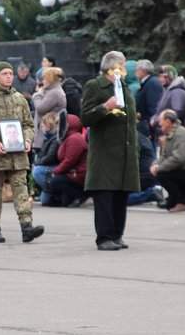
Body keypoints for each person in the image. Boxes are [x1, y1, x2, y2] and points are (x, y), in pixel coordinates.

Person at [0, 61, 44, 243]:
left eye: (10, 73)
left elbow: (28, 124)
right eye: (4, 73)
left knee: (21, 190)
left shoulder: (19, 98)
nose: (8, 77)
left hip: (18, 155)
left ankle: (26, 227)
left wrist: (28, 139)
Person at [81, 51, 139, 251]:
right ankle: (104, 237)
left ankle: (117, 234)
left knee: (121, 194)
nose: (125, 69)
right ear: (112, 66)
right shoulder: (95, 86)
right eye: (122, 65)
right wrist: (105, 107)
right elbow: (85, 118)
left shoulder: (122, 86)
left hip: (125, 151)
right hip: (105, 152)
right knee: (105, 194)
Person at [151, 109, 185, 212]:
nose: (159, 124)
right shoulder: (170, 135)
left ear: (168, 121)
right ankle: (181, 200)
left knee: (162, 175)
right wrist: (155, 165)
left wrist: (159, 168)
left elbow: (179, 158)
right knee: (169, 205)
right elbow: (164, 156)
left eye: (161, 121)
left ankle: (183, 203)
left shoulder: (181, 134)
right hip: (182, 170)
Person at [50, 114, 87, 207]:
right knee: (52, 200)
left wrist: (55, 171)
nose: (58, 126)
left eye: (59, 124)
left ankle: (81, 195)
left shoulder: (74, 139)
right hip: (72, 173)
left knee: (54, 181)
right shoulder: (69, 138)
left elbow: (69, 161)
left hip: (78, 174)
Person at [32, 67, 66, 153]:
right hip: (47, 133)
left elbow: (40, 108)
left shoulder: (54, 93)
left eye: (44, 79)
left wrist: (37, 95)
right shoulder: (53, 91)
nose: (42, 81)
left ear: (50, 79)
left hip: (47, 134)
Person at [127, 127, 163, 206]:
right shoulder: (143, 138)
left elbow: (131, 160)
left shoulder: (132, 138)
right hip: (151, 174)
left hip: (144, 175)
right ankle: (154, 190)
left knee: (120, 199)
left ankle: (151, 193)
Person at [32, 112, 61, 206]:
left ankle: (51, 189)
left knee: (37, 171)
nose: (42, 128)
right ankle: (49, 191)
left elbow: (50, 157)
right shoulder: (48, 138)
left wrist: (38, 163)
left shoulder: (55, 139)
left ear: (49, 125)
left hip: (53, 166)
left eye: (43, 126)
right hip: (49, 165)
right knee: (45, 200)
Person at [135, 59, 163, 139]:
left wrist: (152, 127)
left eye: (137, 69)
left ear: (143, 70)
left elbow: (153, 106)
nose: (135, 72)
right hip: (146, 123)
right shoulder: (147, 82)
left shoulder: (152, 83)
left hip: (149, 126)